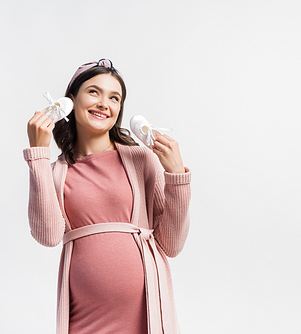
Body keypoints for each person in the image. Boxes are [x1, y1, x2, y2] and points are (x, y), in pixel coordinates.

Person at [24, 59, 191, 334]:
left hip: (145, 318)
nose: (104, 103)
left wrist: (176, 176)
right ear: (70, 101)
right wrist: (38, 156)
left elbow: (171, 244)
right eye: (93, 92)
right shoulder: (55, 173)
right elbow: (48, 236)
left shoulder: (142, 160)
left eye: (115, 98)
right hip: (83, 319)